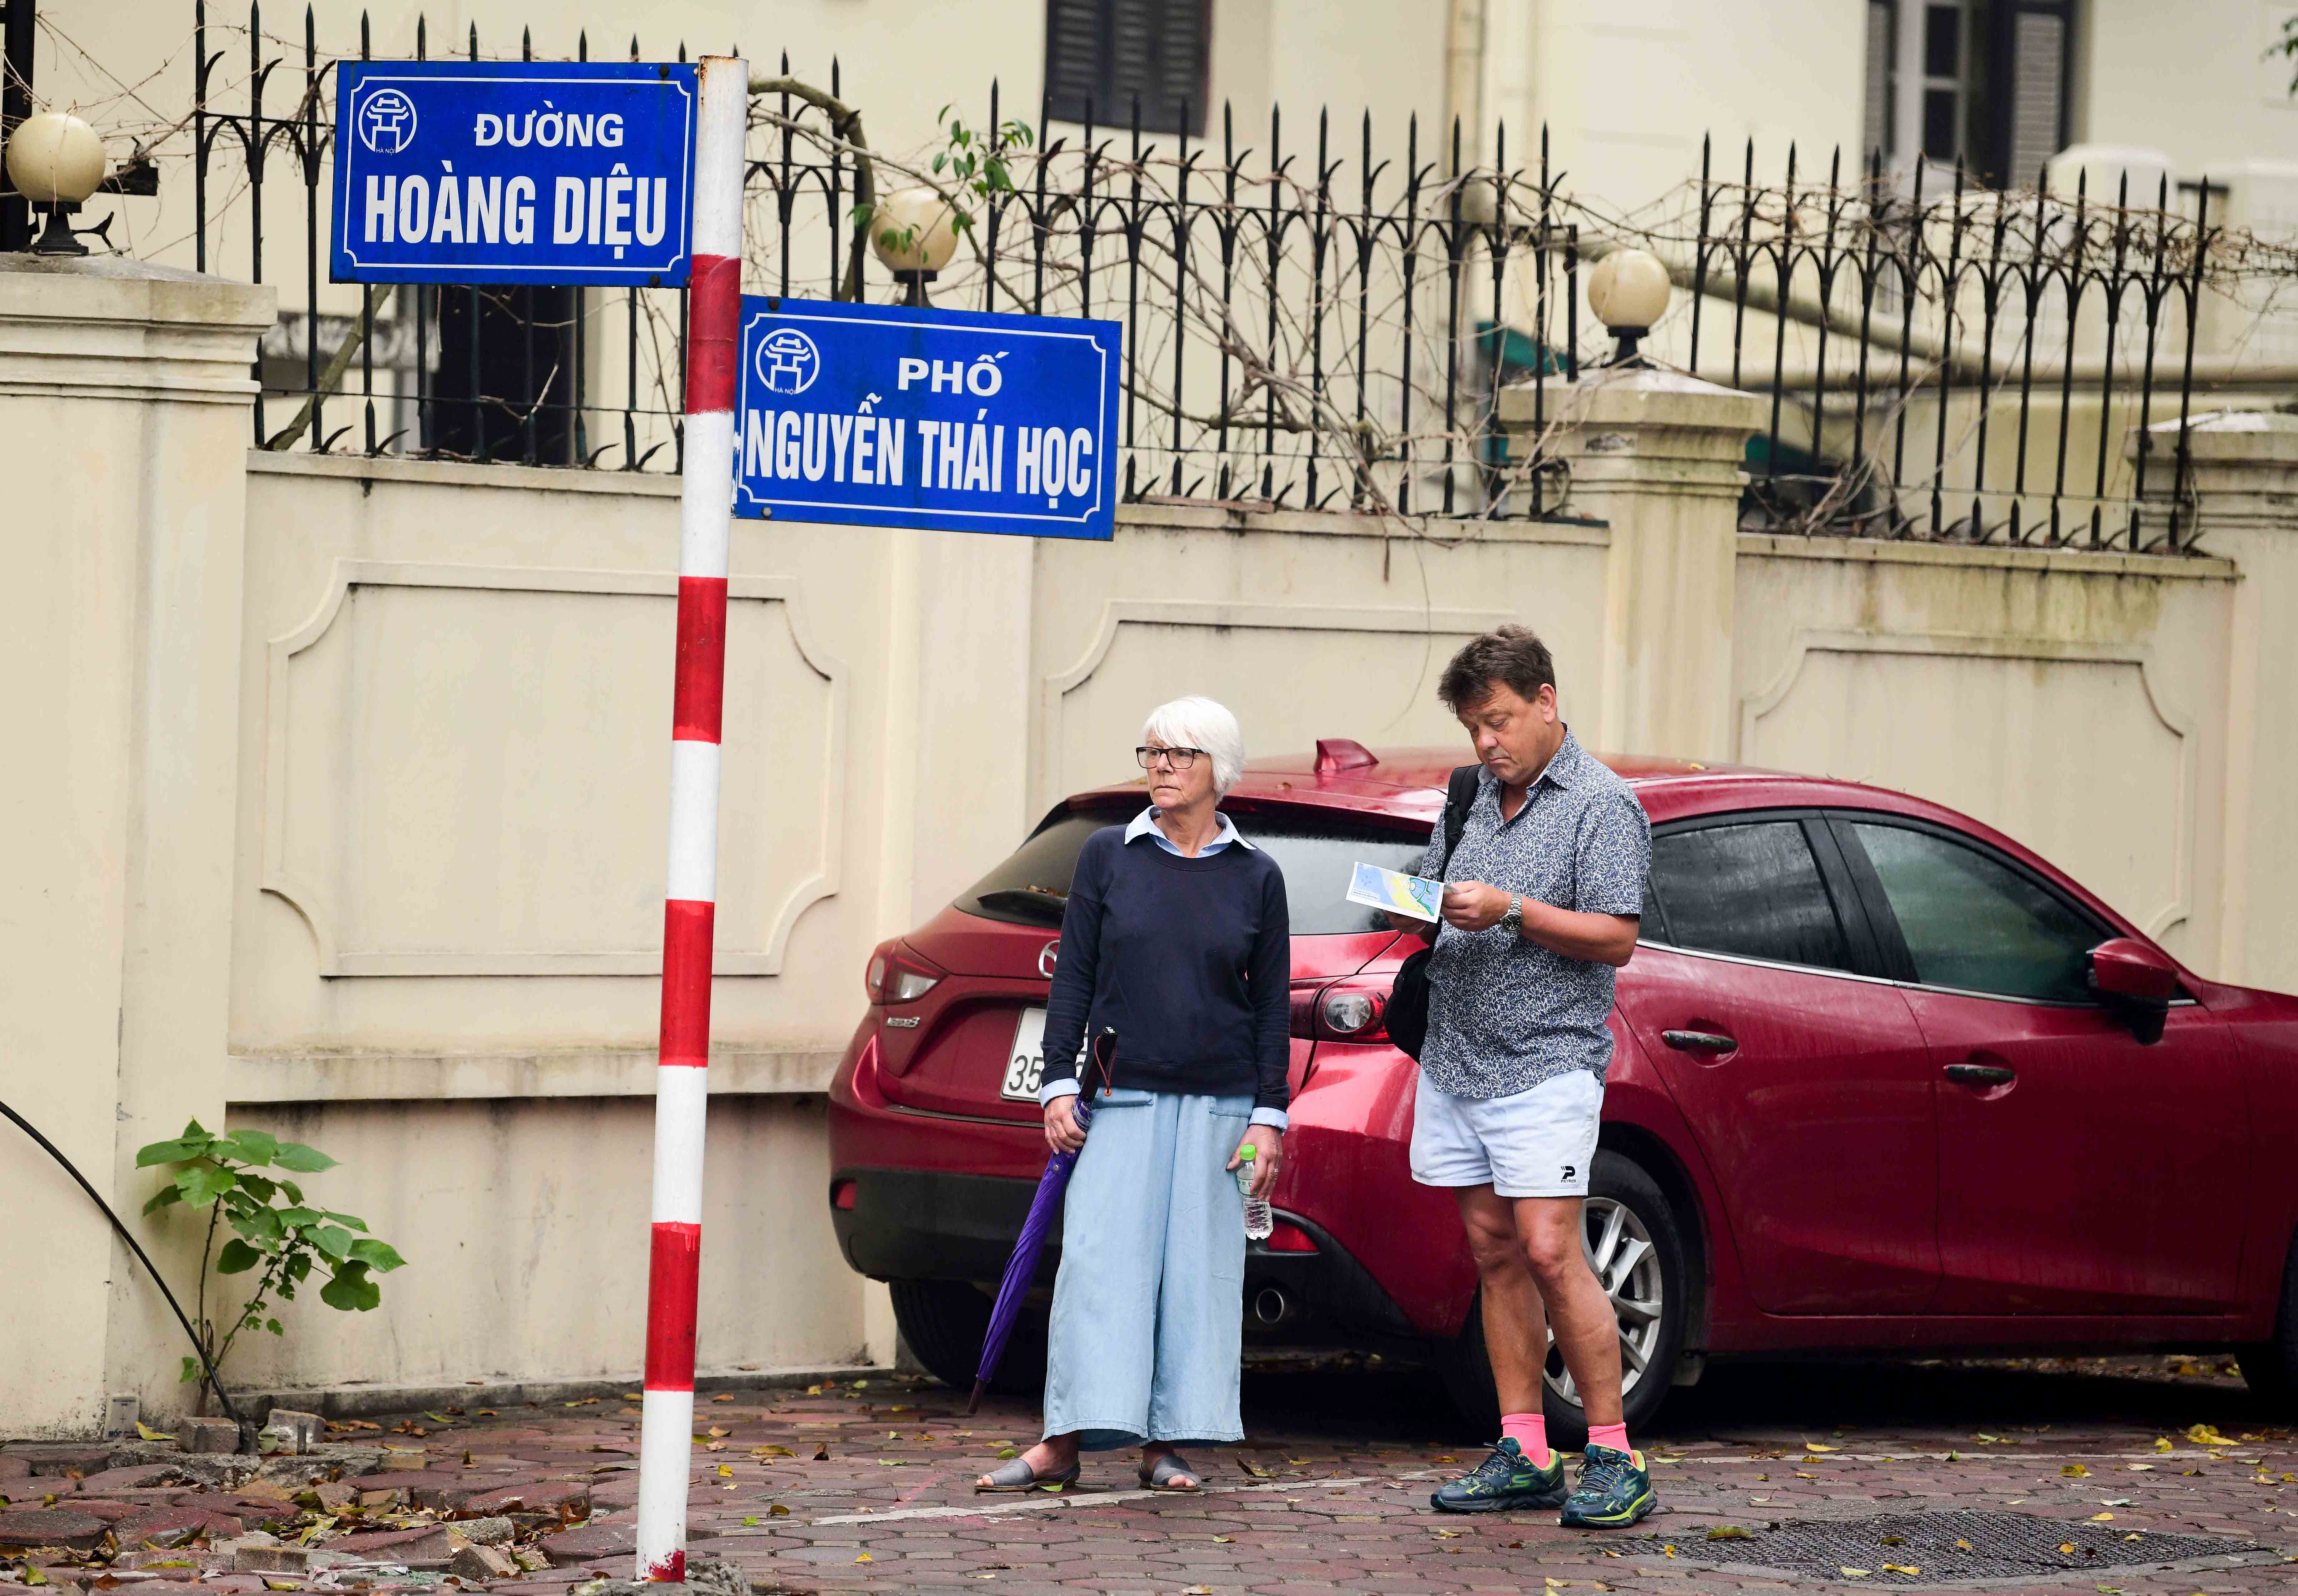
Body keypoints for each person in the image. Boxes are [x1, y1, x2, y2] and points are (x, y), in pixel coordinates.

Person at [974, 695, 1291, 1495]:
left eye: (1178, 754)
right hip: (1119, 1097)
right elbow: (1073, 978)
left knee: (1195, 1276)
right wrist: (1055, 1084)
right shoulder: (1110, 856)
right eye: (1151, 751)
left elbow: (1270, 1006)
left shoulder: (1258, 876)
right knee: (1097, 1268)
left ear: (1219, 769)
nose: (1159, 766)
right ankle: (1062, 1442)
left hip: (1221, 1105)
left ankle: (1165, 1445)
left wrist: (1269, 1114)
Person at [1395, 626, 1657, 1529]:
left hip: (1546, 1062)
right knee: (1493, 1249)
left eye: (1498, 720)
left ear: (1545, 700)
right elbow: (1431, 888)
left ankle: (1615, 1454)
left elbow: (1616, 935)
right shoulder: (1469, 795)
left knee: (1550, 1249)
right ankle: (1524, 1448)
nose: (1485, 742)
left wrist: (1511, 908)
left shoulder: (1601, 802)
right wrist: (1408, 897)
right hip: (1457, 1055)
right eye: (1473, 725)